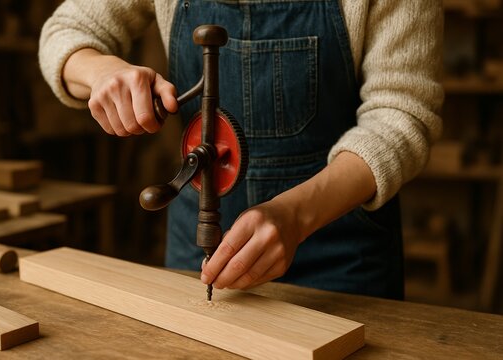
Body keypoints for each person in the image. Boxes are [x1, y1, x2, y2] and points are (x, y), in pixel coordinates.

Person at [39, 0, 444, 300]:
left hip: (340, 250)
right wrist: (101, 72)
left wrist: (297, 214)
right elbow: (67, 32)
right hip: (199, 248)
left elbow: (402, 114)